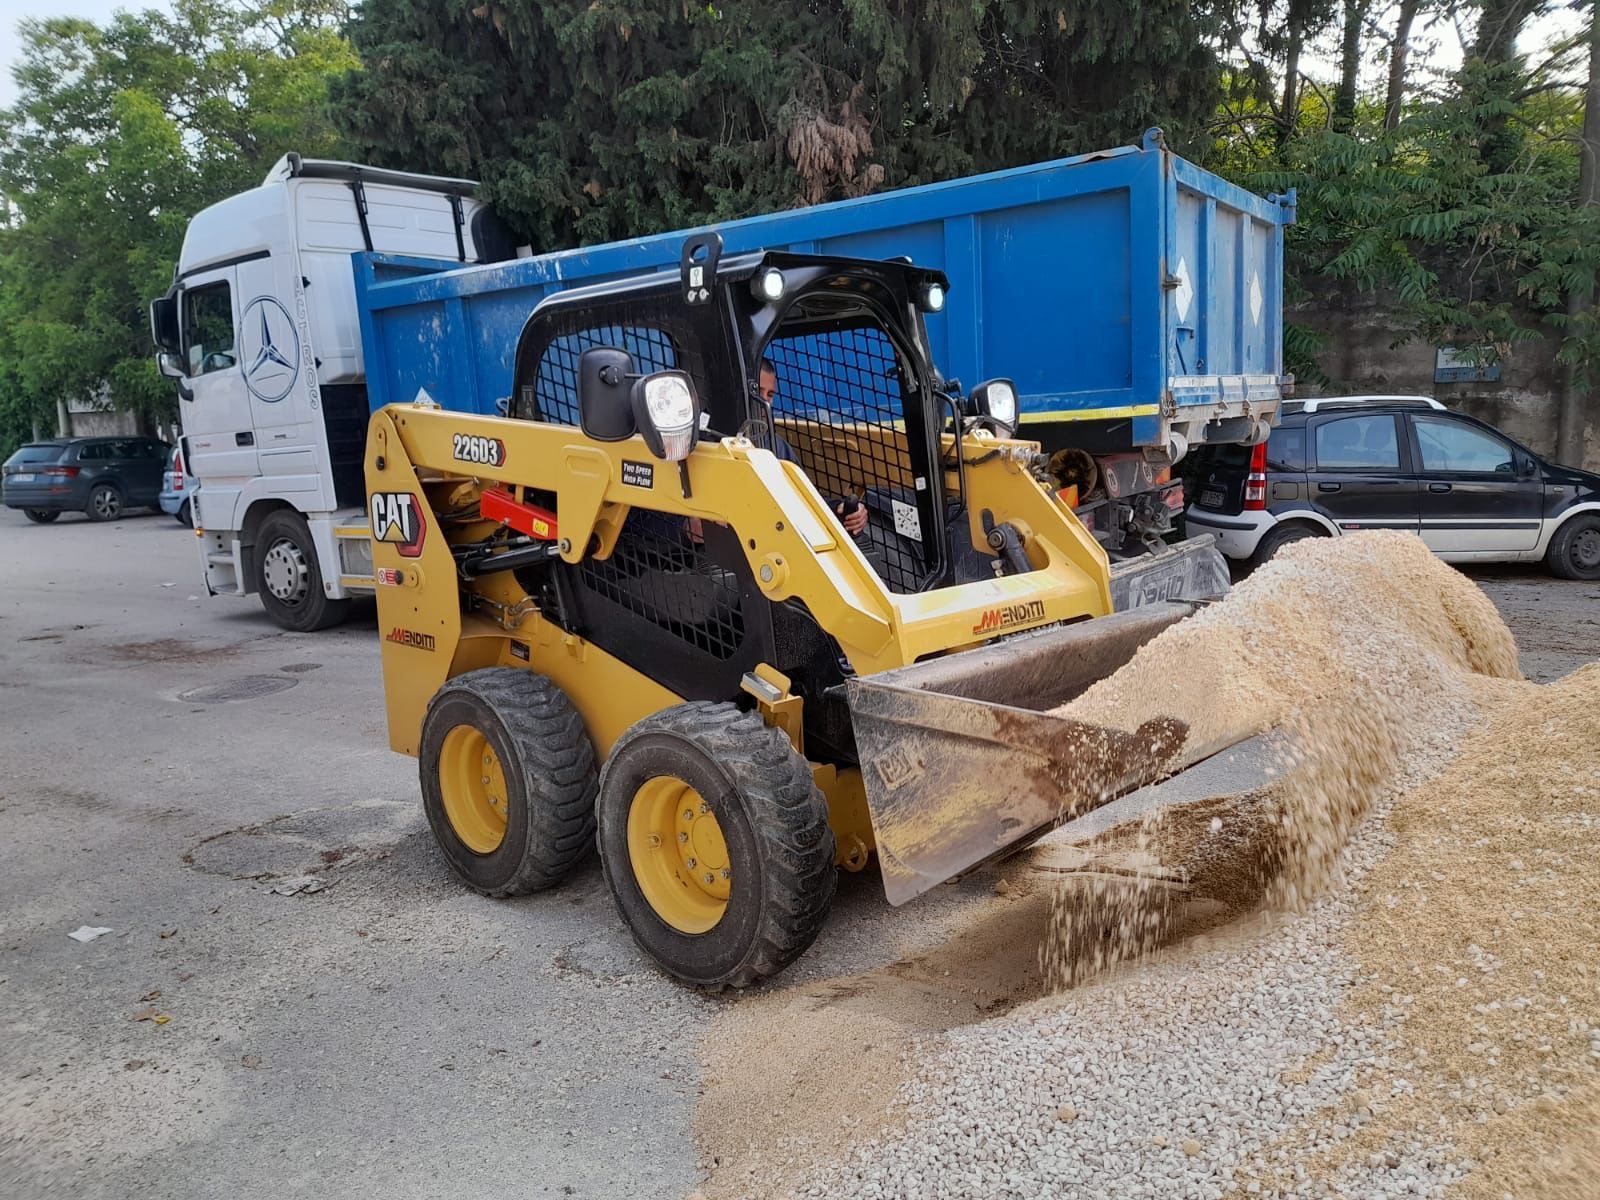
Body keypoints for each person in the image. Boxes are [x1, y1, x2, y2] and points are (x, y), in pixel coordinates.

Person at [755, 358, 869, 536]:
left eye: (770, 395)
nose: (765, 402)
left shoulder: (776, 445)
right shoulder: (711, 440)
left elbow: (806, 499)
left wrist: (840, 509)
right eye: (758, 391)